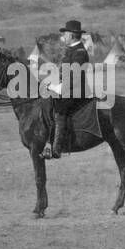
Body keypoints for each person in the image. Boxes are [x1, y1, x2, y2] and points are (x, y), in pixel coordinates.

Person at [44, 19, 91, 160]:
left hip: (77, 90)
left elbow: (74, 75)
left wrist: (59, 88)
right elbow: (63, 72)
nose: (63, 36)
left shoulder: (80, 52)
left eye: (65, 34)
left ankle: (57, 148)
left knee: (60, 110)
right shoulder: (71, 50)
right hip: (67, 88)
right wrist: (52, 82)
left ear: (71, 35)